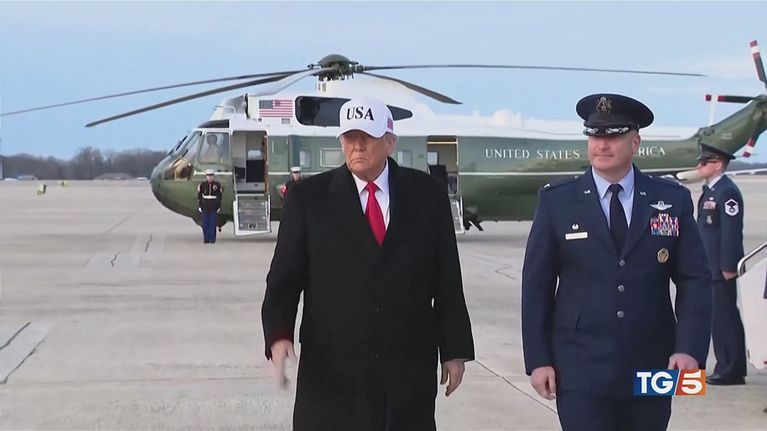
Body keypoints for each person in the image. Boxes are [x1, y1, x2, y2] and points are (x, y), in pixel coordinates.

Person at [261, 97, 475, 430]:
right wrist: (279, 333)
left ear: (390, 142)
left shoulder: (427, 196)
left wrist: (454, 349)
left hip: (406, 371)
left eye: (367, 137)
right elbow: (284, 279)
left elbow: (447, 279)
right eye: (350, 137)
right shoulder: (309, 199)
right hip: (332, 372)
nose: (357, 146)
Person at [522, 93, 713, 431]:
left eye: (613, 136)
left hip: (654, 363)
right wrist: (538, 361)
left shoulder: (672, 199)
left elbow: (695, 280)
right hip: (578, 366)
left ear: (635, 142)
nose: (602, 145)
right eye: (595, 135)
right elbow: (537, 286)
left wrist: (690, 352)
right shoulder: (557, 201)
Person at [696, 143, 747, 385]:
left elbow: (731, 232)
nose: (699, 166)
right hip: (710, 266)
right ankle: (725, 365)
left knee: (725, 318)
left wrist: (729, 266)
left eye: (704, 162)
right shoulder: (711, 191)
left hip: (720, 268)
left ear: (718, 165)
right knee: (717, 319)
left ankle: (731, 370)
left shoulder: (727, 192)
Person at [197, 168, 222, 244]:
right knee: (205, 224)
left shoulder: (217, 185)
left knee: (213, 224)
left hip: (213, 206)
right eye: (208, 176)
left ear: (213, 176)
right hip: (205, 206)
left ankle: (212, 239)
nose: (210, 177)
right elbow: (199, 196)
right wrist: (200, 206)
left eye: (211, 176)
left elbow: (219, 196)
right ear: (206, 176)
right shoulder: (202, 185)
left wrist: (219, 206)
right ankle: (206, 239)